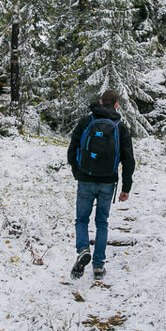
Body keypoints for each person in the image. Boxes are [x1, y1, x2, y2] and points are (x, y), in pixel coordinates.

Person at [66, 89, 135, 279]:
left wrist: (77, 172)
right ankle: (98, 267)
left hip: (85, 179)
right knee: (102, 223)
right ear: (116, 105)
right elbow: (129, 160)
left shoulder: (86, 122)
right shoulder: (120, 127)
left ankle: (83, 250)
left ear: (100, 102)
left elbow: (72, 149)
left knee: (81, 220)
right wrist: (126, 187)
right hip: (108, 182)